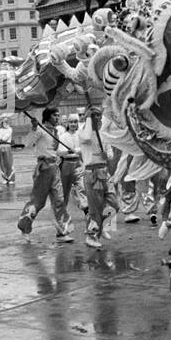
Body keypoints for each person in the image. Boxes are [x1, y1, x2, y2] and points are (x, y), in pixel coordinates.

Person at [17, 108, 71, 242]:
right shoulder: (40, 130)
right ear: (47, 117)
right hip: (44, 168)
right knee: (38, 202)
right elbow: (27, 143)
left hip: (55, 168)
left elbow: (54, 151)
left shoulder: (57, 131)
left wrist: (67, 153)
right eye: (55, 115)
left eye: (58, 115)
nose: (57, 118)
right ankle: (24, 227)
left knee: (59, 200)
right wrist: (34, 128)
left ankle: (62, 231)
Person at [78, 107, 117, 249]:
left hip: (104, 172)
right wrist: (88, 118)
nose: (99, 119)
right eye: (96, 116)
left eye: (100, 116)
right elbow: (88, 136)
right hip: (91, 173)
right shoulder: (82, 133)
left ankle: (103, 226)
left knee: (114, 204)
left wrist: (108, 155)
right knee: (95, 209)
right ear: (90, 118)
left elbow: (110, 152)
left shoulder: (103, 134)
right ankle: (91, 236)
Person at [0, 116, 16, 184]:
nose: (5, 123)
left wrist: (0, 139)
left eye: (6, 122)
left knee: (9, 162)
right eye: (3, 122)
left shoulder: (10, 129)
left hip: (7, 146)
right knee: (2, 163)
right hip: (0, 147)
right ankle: (5, 178)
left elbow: (5, 138)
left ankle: (11, 178)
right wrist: (0, 140)